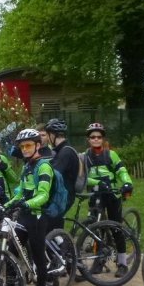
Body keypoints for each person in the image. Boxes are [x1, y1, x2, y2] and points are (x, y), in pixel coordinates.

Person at [0, 129, 52, 286]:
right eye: (22, 146)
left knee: (39, 259)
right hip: (25, 216)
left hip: (38, 216)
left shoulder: (43, 167)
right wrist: (4, 206)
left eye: (28, 145)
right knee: (11, 254)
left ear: (37, 146)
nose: (24, 149)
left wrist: (26, 203)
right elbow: (20, 192)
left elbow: (43, 194)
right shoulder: (27, 167)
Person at [83, 122, 134, 277]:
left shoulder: (111, 154)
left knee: (115, 228)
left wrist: (127, 182)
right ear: (88, 140)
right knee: (97, 229)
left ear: (103, 139)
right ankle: (100, 261)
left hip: (112, 194)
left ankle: (123, 263)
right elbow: (83, 177)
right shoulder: (85, 157)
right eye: (93, 137)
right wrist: (97, 182)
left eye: (99, 137)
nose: (96, 139)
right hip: (96, 195)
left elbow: (121, 171)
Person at [43, 118, 80, 229]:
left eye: (47, 135)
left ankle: (64, 245)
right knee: (53, 227)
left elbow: (53, 174)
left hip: (64, 197)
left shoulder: (65, 152)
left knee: (50, 225)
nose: (48, 139)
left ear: (52, 135)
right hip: (61, 195)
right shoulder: (62, 150)